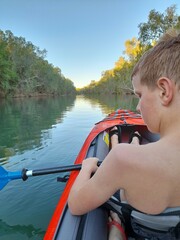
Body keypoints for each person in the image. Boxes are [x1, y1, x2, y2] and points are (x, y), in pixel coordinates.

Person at [68, 28, 180, 239]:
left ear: (164, 91)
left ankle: (116, 227)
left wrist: (86, 168)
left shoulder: (122, 159)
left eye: (139, 95)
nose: (138, 106)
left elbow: (75, 204)